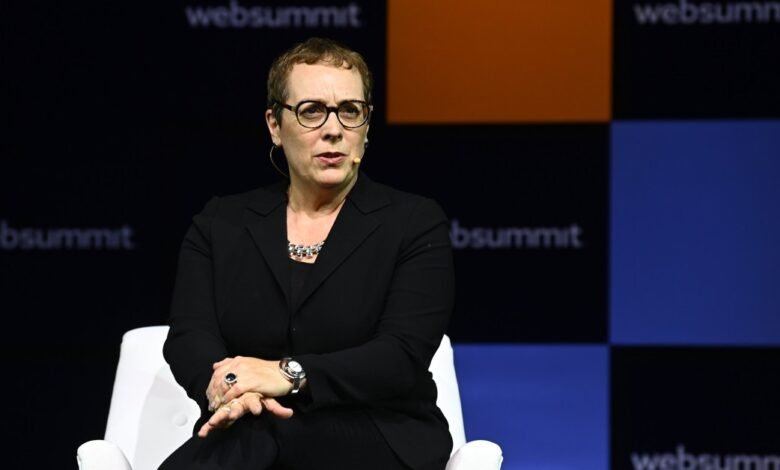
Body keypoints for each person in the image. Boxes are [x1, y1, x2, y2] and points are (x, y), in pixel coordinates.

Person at [159, 37, 454, 470]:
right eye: (311, 110)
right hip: (250, 425)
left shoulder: (413, 222)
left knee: (260, 440)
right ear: (274, 125)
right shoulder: (221, 223)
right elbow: (189, 338)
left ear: (366, 128)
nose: (333, 128)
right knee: (261, 435)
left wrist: (286, 375)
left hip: (378, 433)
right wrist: (234, 385)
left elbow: (400, 356)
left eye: (350, 111)